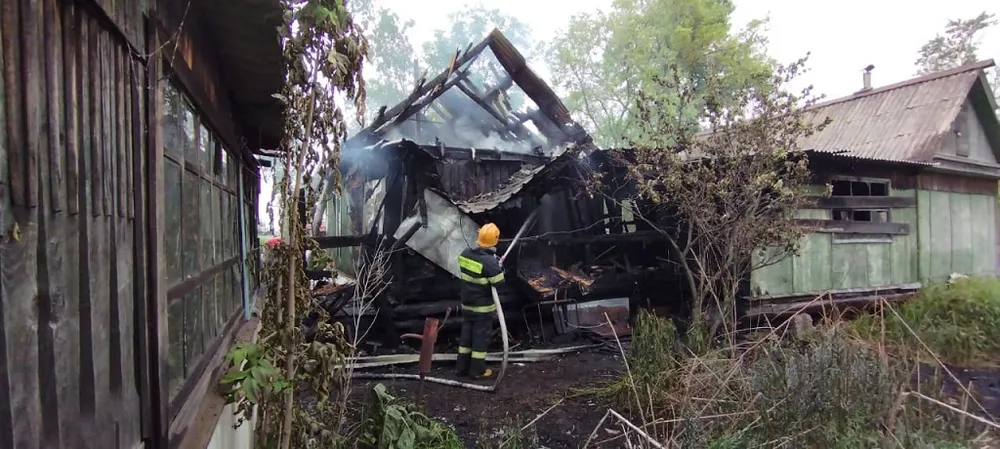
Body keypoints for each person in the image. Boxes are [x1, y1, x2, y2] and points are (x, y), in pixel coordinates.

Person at [455, 223, 505, 379]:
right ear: (495, 240)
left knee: (466, 337)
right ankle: (477, 370)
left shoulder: (465, 253)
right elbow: (499, 282)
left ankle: (461, 368)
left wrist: (493, 263)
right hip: (482, 309)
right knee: (480, 338)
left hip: (467, 305)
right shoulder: (490, 262)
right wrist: (499, 267)